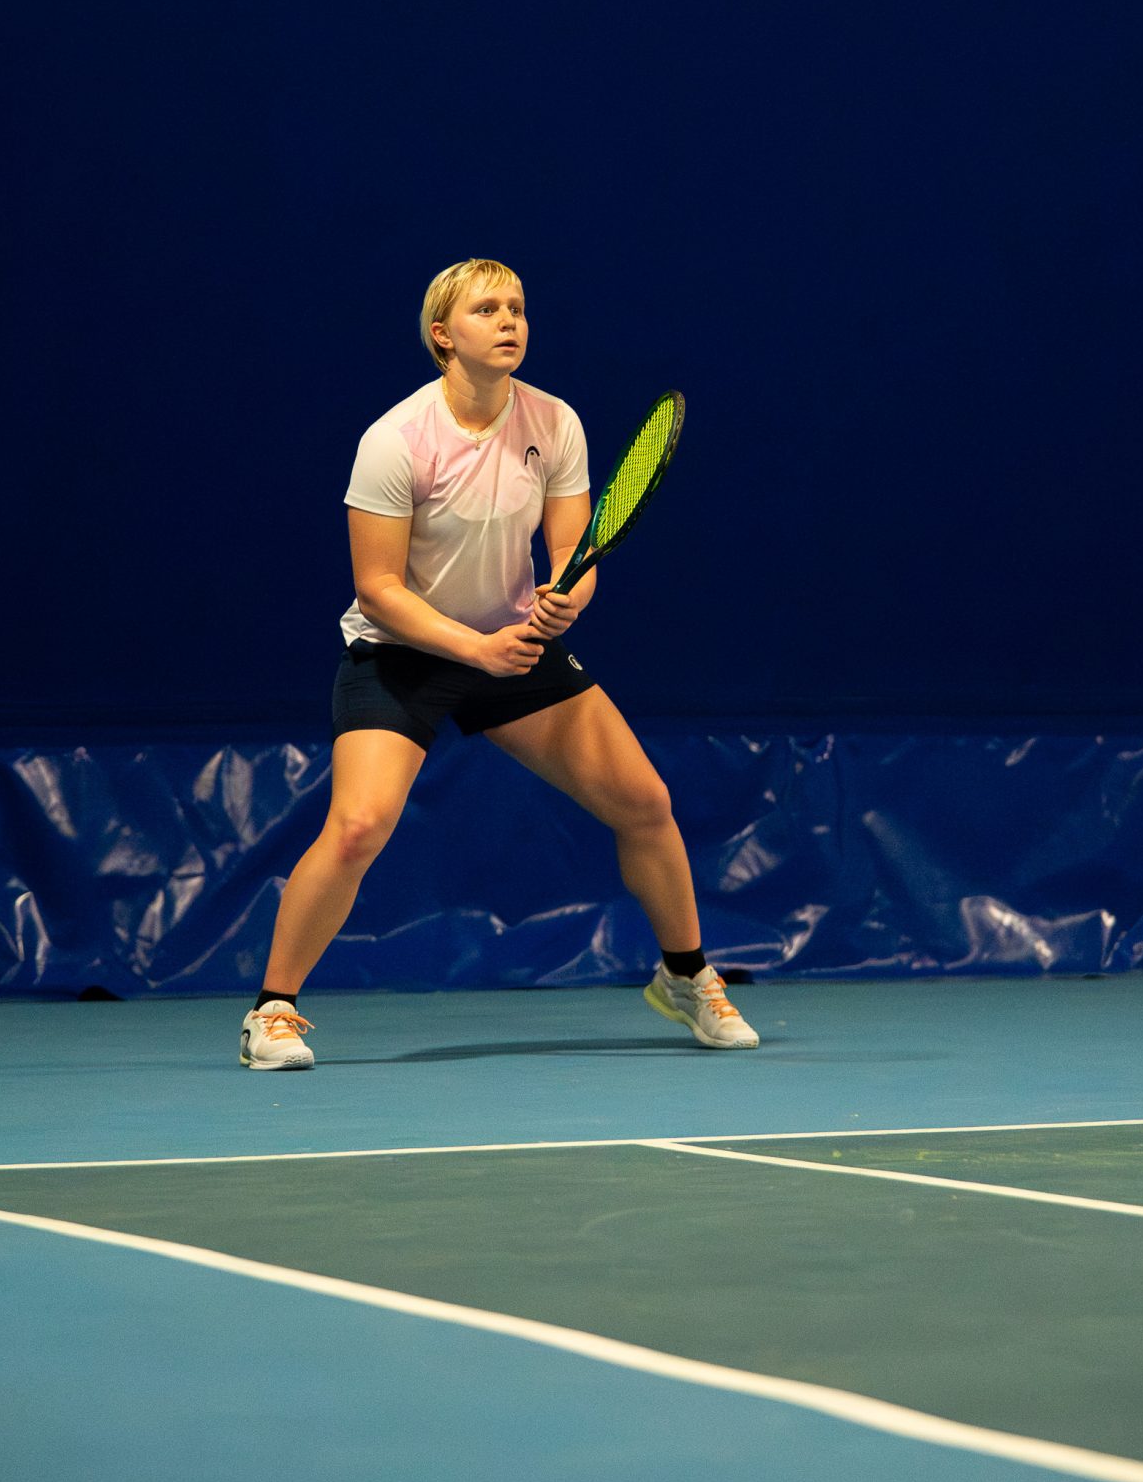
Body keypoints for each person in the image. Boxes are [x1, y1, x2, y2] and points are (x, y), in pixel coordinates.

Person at [240, 257, 761, 1068]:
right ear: (443, 336)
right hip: (402, 653)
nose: (509, 320)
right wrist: (474, 647)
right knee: (358, 825)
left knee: (644, 802)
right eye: (487, 309)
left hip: (512, 642)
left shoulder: (555, 422)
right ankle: (271, 1012)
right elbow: (378, 588)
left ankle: (687, 976)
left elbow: (576, 552)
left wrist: (563, 600)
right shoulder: (395, 440)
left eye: (516, 307)